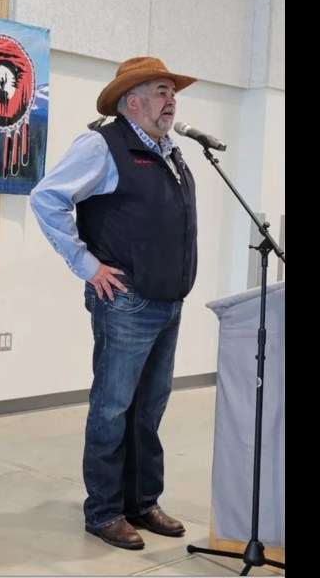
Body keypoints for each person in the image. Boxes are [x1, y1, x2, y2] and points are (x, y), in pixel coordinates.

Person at [29, 57, 198, 551]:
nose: (172, 100)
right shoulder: (102, 145)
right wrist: (86, 265)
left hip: (169, 300)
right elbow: (47, 198)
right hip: (126, 303)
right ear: (133, 101)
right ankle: (104, 511)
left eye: (173, 92)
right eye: (162, 91)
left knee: (149, 411)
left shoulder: (172, 150)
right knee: (112, 409)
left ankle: (142, 502)